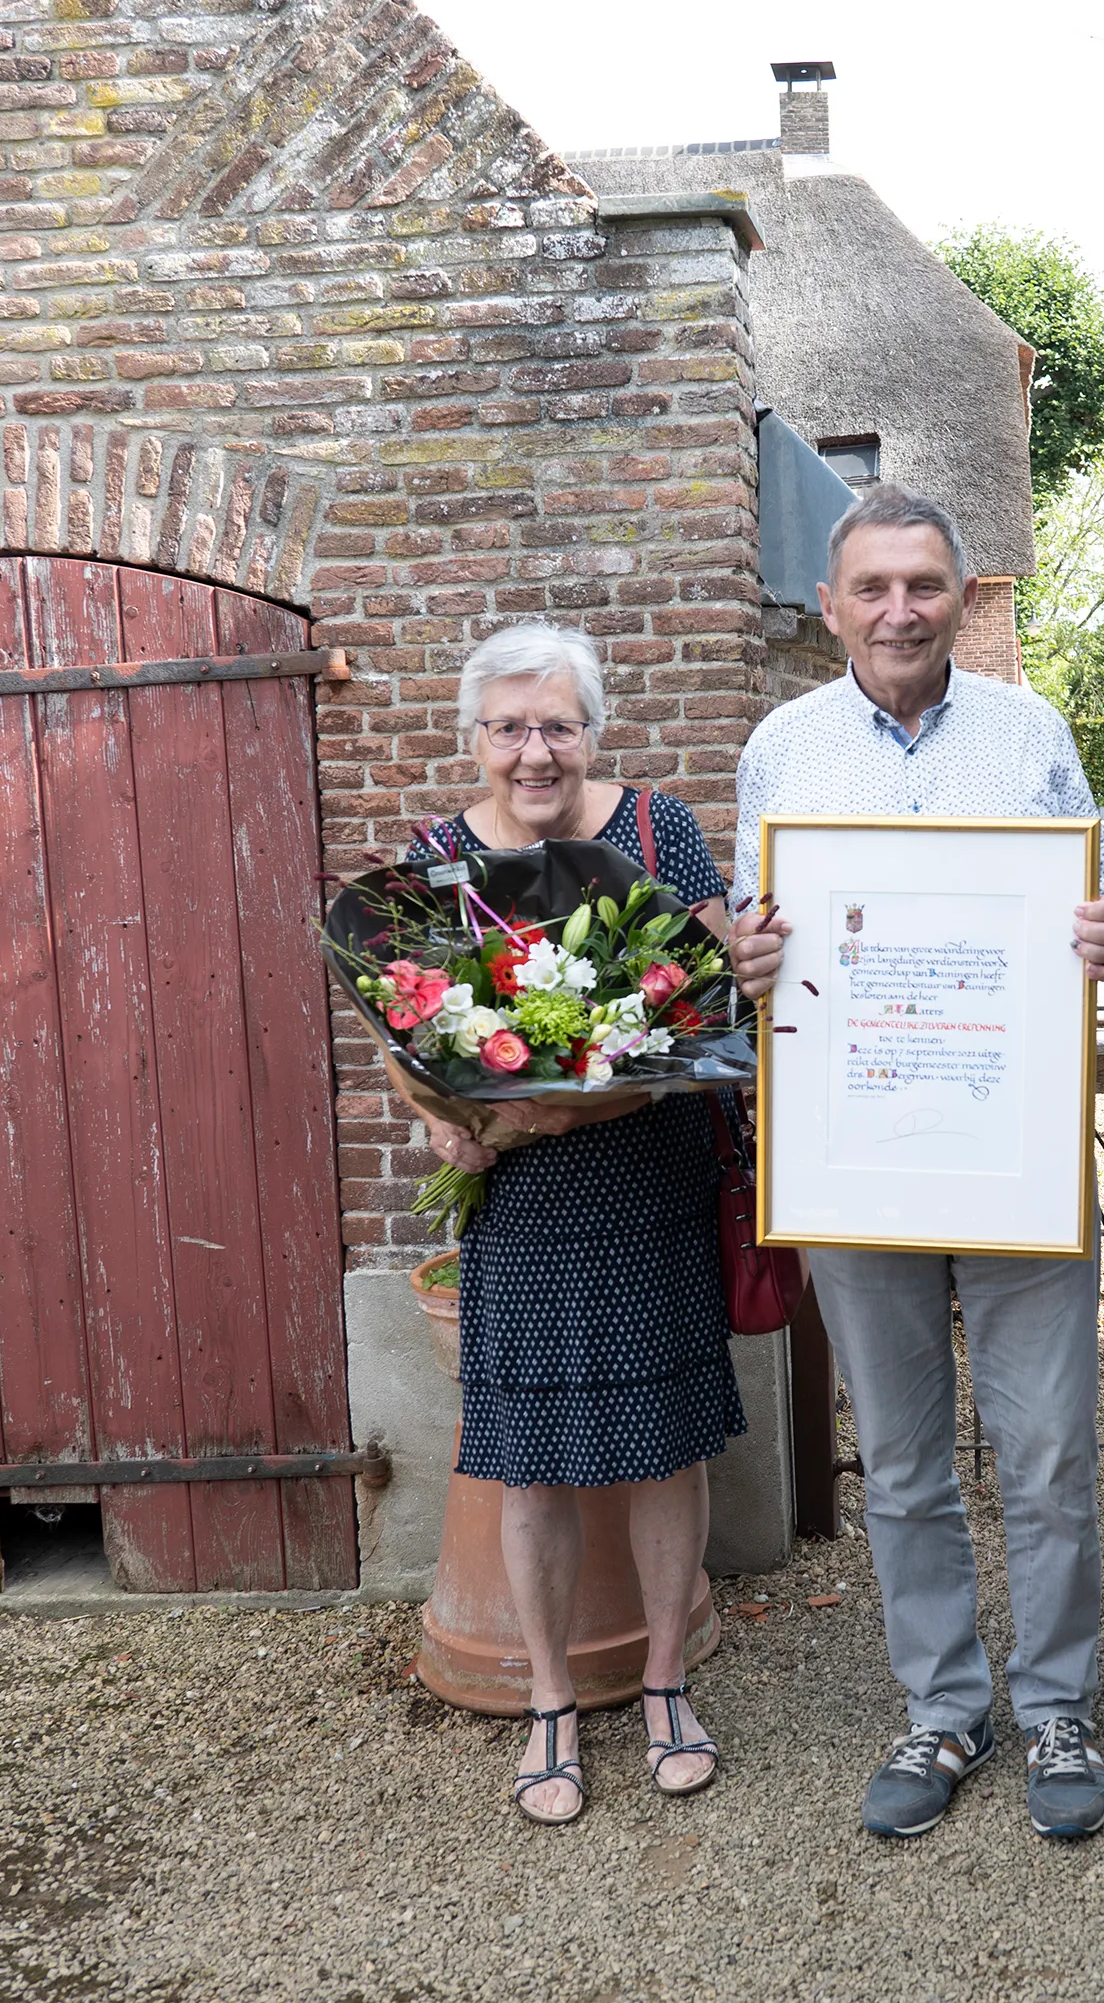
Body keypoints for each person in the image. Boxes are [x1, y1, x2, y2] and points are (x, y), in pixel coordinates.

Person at [728, 483, 1104, 1841]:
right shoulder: (781, 751)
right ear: (830, 605)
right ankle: (944, 1708)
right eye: (874, 587)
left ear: (963, 595)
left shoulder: (1032, 736)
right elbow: (755, 935)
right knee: (897, 1459)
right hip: (859, 1160)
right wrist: (751, 958)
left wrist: (1095, 945)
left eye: (926, 584)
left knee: (1049, 1452)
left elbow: (1086, 920)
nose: (901, 609)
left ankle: (1058, 1705)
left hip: (1011, 1153)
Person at [415, 620, 744, 1826]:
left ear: (593, 729)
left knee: (666, 1440)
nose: (534, 751)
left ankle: (664, 1677)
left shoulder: (659, 834)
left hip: (646, 1182)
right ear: (475, 739)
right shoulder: (439, 862)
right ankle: (551, 1700)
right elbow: (408, 1026)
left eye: (556, 724)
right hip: (519, 1197)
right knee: (527, 1462)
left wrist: (615, 1077)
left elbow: (713, 1010)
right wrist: (447, 1123)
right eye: (507, 728)